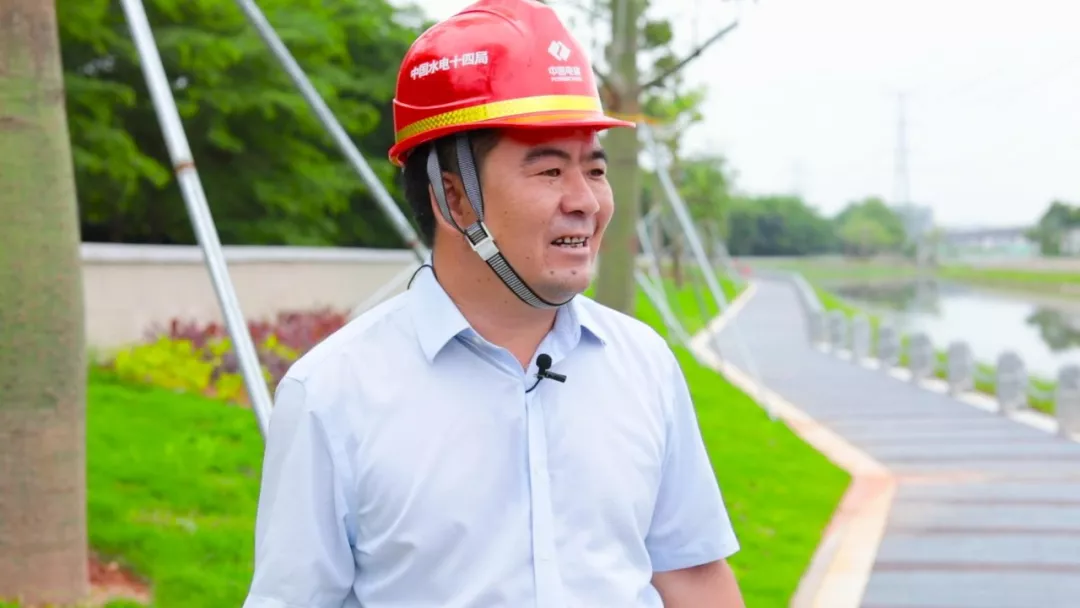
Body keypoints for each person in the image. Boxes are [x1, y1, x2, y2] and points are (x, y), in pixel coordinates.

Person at [242, 0, 745, 606]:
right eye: (549, 171)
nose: (586, 201)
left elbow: (693, 574)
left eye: (594, 170)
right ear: (454, 198)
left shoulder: (644, 364)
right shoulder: (333, 395)